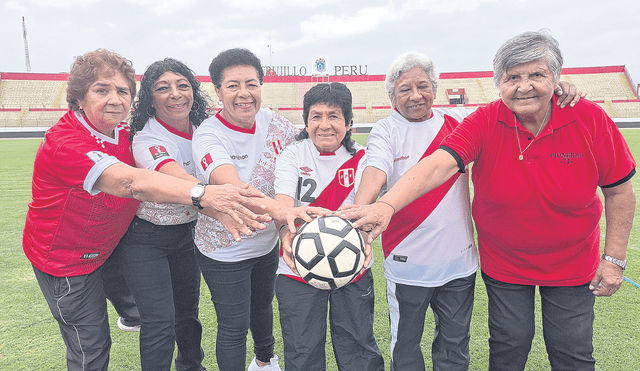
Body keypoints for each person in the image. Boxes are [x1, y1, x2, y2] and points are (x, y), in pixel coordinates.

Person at [338, 30, 636, 371]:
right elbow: (440, 164)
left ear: (556, 79)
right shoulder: (484, 120)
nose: (524, 86)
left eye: (537, 75)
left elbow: (620, 191)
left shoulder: (589, 118)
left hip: (571, 264)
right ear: (499, 84)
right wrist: (386, 205)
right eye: (513, 78)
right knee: (508, 349)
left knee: (572, 353)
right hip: (505, 265)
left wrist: (614, 259)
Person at [23, 49, 267, 371]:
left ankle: (186, 362)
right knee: (97, 343)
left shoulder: (125, 132)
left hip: (124, 245)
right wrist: (207, 196)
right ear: (78, 97)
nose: (114, 99)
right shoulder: (69, 142)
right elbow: (133, 183)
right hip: (71, 258)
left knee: (181, 313)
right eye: (101, 90)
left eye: (122, 91)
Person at [192, 48, 320, 371]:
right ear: (218, 91)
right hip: (224, 248)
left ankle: (265, 362)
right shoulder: (208, 134)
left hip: (266, 243)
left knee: (263, 307)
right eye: (233, 85)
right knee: (233, 326)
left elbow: (306, 147)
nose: (244, 93)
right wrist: (285, 213)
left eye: (251, 83)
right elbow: (237, 193)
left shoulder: (273, 121)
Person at [274, 82, 384, 371]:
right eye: (316, 116)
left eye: (333, 116)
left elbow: (368, 212)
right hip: (296, 269)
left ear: (348, 122)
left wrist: (363, 234)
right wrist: (286, 231)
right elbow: (282, 205)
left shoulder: (364, 159)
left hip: (353, 267)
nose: (324, 125)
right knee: (302, 352)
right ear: (306, 121)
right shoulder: (292, 155)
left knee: (358, 348)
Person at [112, 58, 212, 371]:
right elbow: (178, 181)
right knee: (159, 321)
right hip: (145, 238)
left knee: (187, 313)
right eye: (163, 88)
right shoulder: (146, 137)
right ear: (150, 98)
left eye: (183, 85)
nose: (176, 93)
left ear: (194, 91)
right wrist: (232, 200)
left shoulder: (205, 131)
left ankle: (191, 365)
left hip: (187, 235)